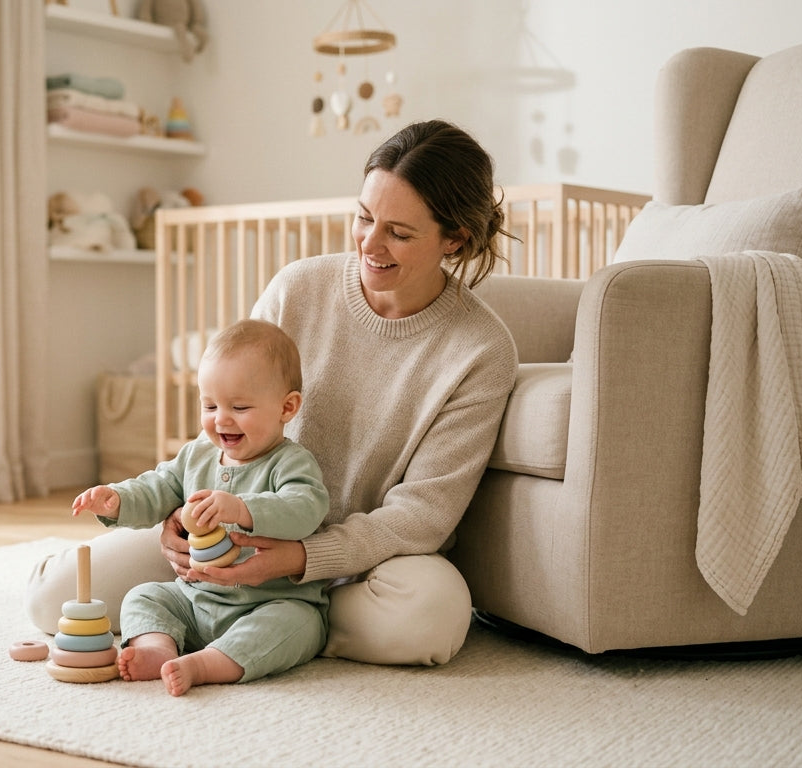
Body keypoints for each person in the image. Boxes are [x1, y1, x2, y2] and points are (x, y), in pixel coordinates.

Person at [27, 119, 518, 667]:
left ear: (455, 238)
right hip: (228, 539)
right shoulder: (298, 287)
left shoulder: (481, 350)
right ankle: (257, 625)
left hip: (366, 562)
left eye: (399, 233)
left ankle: (288, 621)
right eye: (362, 217)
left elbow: (420, 516)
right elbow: (223, 426)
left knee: (428, 619)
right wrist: (176, 520)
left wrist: (299, 558)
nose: (370, 244)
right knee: (55, 599)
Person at [70, 318, 329, 696]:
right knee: (143, 596)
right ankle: (157, 647)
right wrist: (118, 500)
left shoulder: (291, 462)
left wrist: (241, 508)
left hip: (271, 601)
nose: (221, 418)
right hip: (196, 599)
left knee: (299, 625)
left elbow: (306, 507)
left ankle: (208, 664)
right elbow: (158, 486)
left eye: (239, 407)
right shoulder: (197, 456)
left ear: (287, 408)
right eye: (209, 405)